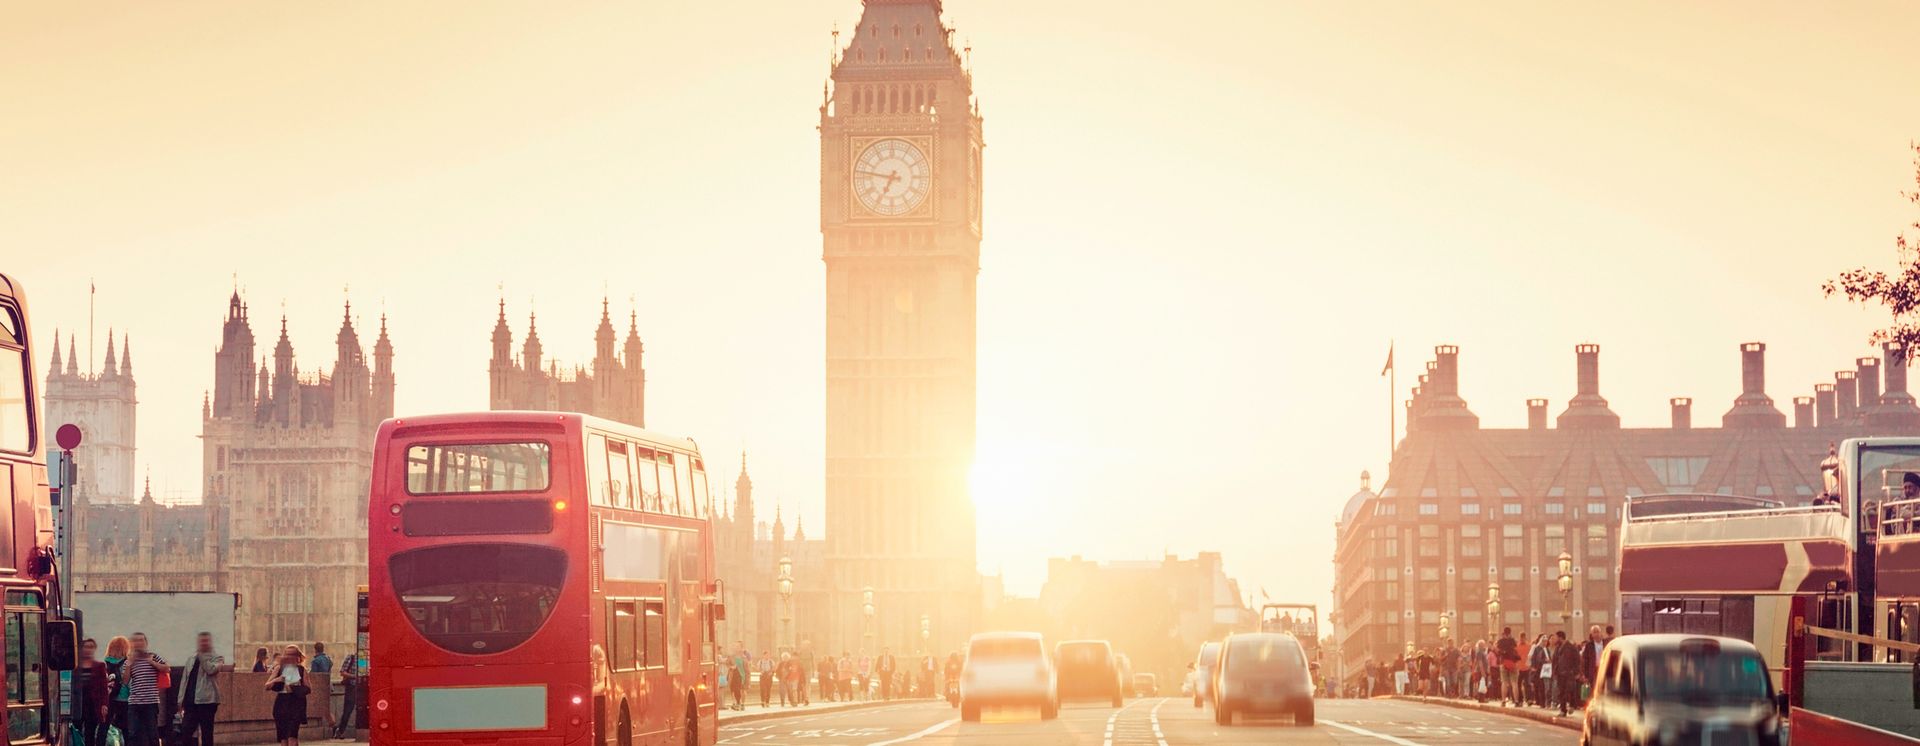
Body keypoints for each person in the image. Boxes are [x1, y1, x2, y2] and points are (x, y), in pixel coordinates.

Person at [177, 631, 234, 746]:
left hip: (208, 701)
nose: (203, 643)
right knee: (185, 732)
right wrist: (180, 699)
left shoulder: (217, 658)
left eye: (206, 641)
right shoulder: (191, 658)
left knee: (207, 733)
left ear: (210, 642)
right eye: (201, 641)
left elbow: (210, 670)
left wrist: (202, 656)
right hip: (191, 702)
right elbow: (185, 679)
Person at [123, 632, 168, 746]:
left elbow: (167, 669)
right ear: (131, 644)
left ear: (145, 642)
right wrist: (129, 664)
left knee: (153, 733)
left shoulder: (153, 656)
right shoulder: (128, 660)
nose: (138, 643)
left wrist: (152, 662)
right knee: (133, 733)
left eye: (141, 640)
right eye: (135, 640)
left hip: (151, 702)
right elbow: (125, 681)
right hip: (134, 702)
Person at [266, 645, 309, 746]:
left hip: (296, 703)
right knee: (283, 738)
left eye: (292, 654)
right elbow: (267, 686)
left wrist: (295, 687)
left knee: (292, 736)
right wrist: (277, 679)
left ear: (297, 657)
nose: (289, 657)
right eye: (287, 654)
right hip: (282, 703)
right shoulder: (279, 668)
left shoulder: (301, 670)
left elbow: (308, 688)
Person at [74, 639, 110, 746]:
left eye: (91, 647)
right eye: (86, 647)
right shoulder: (75, 665)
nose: (88, 650)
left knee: (90, 732)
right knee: (76, 730)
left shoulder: (99, 666)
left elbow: (104, 687)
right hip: (78, 702)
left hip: (93, 703)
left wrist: (104, 704)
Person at [104, 636, 132, 737]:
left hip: (109, 698)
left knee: (104, 727)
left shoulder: (105, 662)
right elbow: (129, 682)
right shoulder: (127, 663)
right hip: (124, 698)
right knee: (126, 729)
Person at [332, 651, 362, 740]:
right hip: (351, 687)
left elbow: (362, 672)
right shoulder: (351, 657)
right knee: (348, 710)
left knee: (361, 710)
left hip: (360, 687)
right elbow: (342, 672)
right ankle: (340, 731)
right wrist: (354, 676)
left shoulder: (362, 660)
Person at [1551, 631, 1582, 716]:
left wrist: (1576, 672)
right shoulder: (1557, 648)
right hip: (1560, 674)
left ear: (1560, 637)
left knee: (1570, 690)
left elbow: (1577, 660)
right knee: (1561, 692)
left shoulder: (1570, 647)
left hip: (1569, 673)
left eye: (1556, 637)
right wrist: (1554, 672)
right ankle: (1563, 710)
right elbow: (1554, 660)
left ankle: (1572, 705)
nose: (1554, 639)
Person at [1496, 628, 1520, 706]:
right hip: (1512, 663)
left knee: (1504, 682)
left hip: (1503, 663)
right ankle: (1516, 701)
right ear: (1510, 633)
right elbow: (1516, 649)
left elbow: (1498, 651)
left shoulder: (1500, 641)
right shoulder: (1513, 641)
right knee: (1514, 683)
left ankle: (1503, 701)